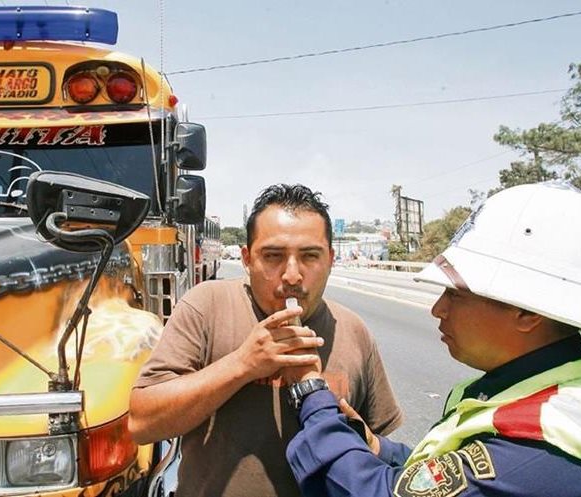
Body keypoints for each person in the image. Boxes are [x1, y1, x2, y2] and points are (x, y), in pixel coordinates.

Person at [285, 181, 581, 497]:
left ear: (527, 310)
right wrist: (377, 447)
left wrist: (312, 394)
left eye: (455, 293)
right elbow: (445, 472)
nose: (438, 309)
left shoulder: (540, 438)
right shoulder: (539, 390)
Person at [129, 184, 403, 497]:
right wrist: (243, 364)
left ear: (330, 259)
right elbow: (142, 424)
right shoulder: (206, 307)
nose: (292, 276)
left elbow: (380, 452)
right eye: (272, 256)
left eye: (309, 256)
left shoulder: (353, 331)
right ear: (247, 259)